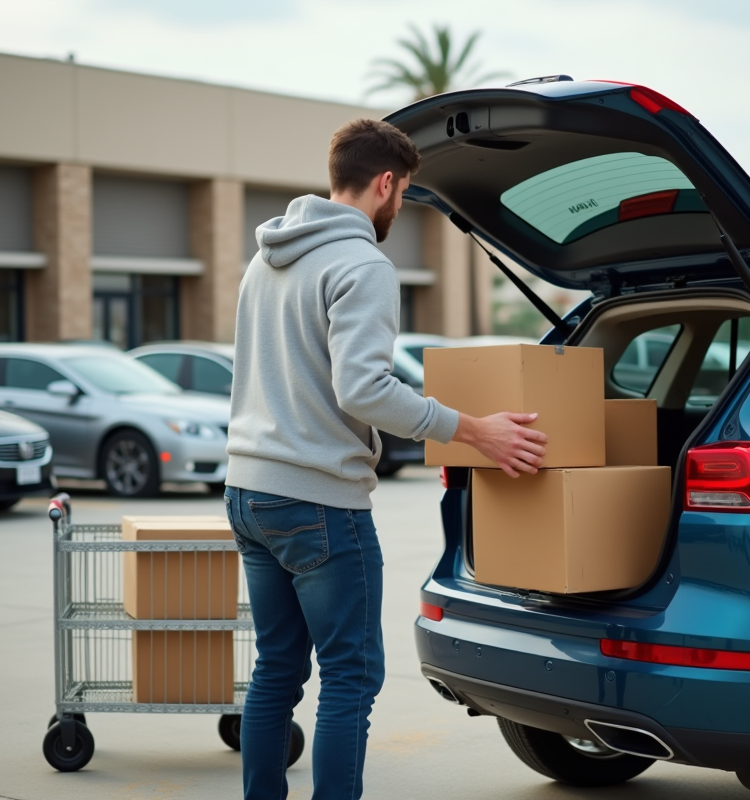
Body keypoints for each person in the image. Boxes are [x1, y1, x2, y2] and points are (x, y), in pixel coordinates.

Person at [224, 118, 547, 800]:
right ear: (387, 183)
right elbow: (364, 388)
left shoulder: (265, 258)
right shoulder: (361, 262)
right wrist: (475, 431)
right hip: (317, 502)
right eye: (404, 194)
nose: (399, 209)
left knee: (276, 670)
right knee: (350, 676)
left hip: (249, 491)